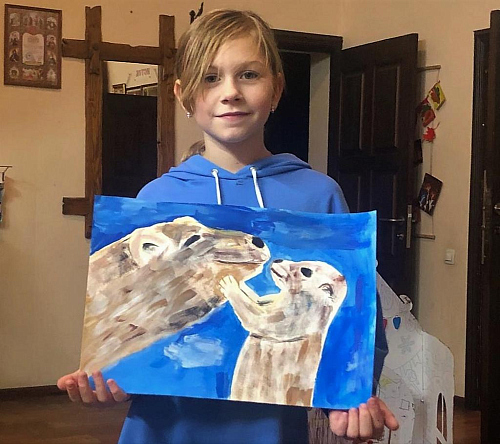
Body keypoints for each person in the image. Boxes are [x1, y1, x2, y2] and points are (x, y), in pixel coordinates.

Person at [57, 9, 399, 443]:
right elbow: (130, 330)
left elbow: (359, 327)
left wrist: (350, 400)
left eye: (249, 75)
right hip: (162, 431)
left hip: (270, 433)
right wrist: (108, 380)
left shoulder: (318, 196)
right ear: (184, 95)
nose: (230, 92)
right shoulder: (157, 200)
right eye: (210, 78)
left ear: (276, 89)